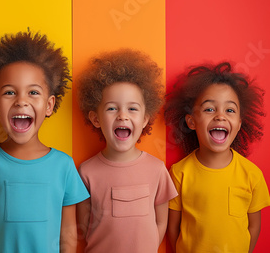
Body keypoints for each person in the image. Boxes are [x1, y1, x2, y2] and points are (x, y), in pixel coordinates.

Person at [0, 31, 89, 253]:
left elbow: (68, 230)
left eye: (33, 93)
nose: (21, 101)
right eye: (10, 92)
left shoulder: (64, 165)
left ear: (49, 105)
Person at [76, 49, 177, 252]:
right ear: (96, 119)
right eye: (112, 108)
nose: (122, 116)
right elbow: (83, 228)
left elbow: (161, 222)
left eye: (132, 108)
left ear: (145, 119)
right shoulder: (86, 171)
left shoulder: (157, 169)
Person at [165, 62, 270, 253]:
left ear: (239, 124)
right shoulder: (179, 173)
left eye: (229, 110)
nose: (220, 116)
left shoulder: (252, 174)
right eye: (209, 109)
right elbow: (173, 227)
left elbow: (254, 226)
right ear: (191, 121)